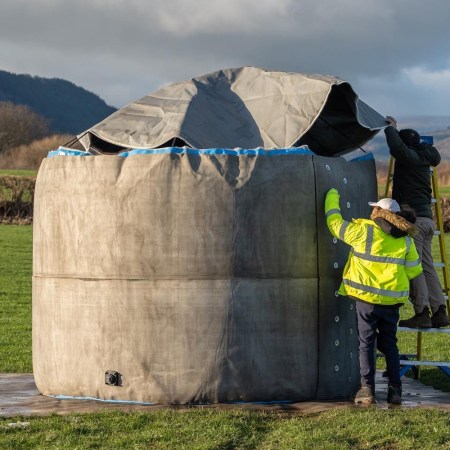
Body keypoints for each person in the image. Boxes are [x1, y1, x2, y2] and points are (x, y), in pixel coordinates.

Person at [325, 189, 423, 404]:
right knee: (390, 345)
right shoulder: (406, 241)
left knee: (366, 344)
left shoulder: (362, 232)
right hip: (392, 302)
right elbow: (414, 270)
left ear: (378, 213)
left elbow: (334, 223)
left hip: (367, 301)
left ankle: (367, 390)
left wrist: (332, 196)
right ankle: (395, 390)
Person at [384, 116, 449, 328]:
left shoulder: (408, 158)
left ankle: (421, 311)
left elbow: (396, 147)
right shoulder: (424, 157)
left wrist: (391, 128)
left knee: (416, 268)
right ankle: (439, 311)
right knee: (428, 267)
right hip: (428, 222)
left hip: (415, 223)